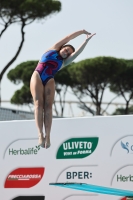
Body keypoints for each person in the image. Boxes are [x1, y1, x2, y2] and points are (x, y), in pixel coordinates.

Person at [30, 29, 96, 149]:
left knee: (48, 107)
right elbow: (68, 37)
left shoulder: (64, 62)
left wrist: (86, 41)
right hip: (37, 76)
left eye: (68, 53)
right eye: (66, 49)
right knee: (38, 104)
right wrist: (81, 32)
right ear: (62, 47)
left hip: (49, 79)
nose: (66, 53)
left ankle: (48, 136)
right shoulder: (52, 49)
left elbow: (77, 53)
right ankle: (40, 134)